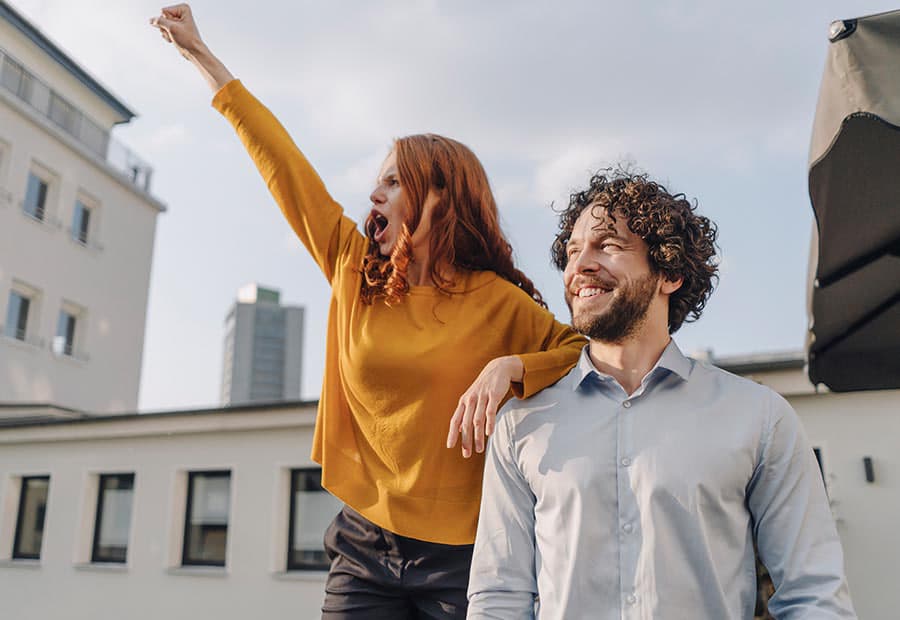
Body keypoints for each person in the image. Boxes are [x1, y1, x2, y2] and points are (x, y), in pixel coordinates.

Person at [150, 5, 585, 618]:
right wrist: (201, 54)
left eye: (392, 182)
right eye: (376, 183)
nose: (373, 194)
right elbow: (284, 167)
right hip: (364, 545)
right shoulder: (355, 271)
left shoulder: (499, 302)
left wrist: (510, 368)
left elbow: (580, 354)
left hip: (465, 556)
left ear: (438, 195)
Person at [467, 169, 857, 619]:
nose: (580, 266)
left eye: (607, 245)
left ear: (668, 272)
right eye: (573, 251)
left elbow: (814, 594)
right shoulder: (521, 425)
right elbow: (499, 598)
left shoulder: (759, 418)